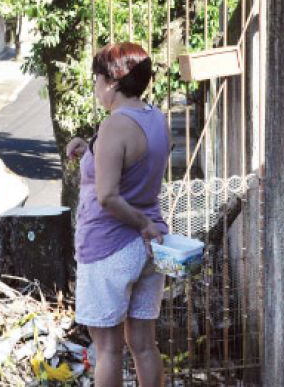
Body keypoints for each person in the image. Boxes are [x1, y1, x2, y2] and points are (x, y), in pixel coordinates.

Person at [67, 42, 169, 387]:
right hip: (149, 248)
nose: (95, 89)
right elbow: (130, 166)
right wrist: (89, 150)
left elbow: (108, 196)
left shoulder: (115, 126)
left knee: (107, 348)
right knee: (143, 344)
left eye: (95, 80)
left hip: (111, 246)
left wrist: (141, 224)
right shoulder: (153, 117)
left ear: (110, 82)